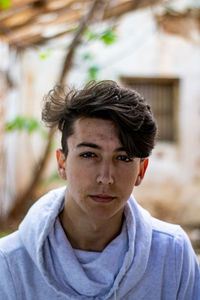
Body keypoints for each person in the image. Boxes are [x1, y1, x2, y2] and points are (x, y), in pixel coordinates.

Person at [0, 80, 199, 300]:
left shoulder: (172, 255)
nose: (106, 178)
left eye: (123, 158)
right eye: (89, 155)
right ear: (62, 163)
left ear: (141, 171)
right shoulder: (10, 263)